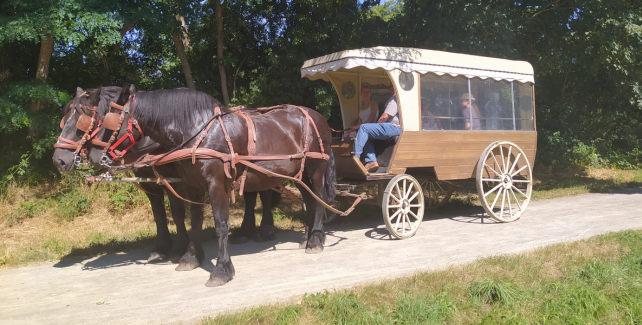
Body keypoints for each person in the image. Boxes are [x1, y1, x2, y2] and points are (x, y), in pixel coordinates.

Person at [354, 84, 402, 172]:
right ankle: (371, 161)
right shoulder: (404, 99)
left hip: (393, 127)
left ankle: (355, 157)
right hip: (399, 128)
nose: (389, 89)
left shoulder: (395, 98)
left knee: (364, 128)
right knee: (366, 135)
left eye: (390, 87)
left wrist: (377, 125)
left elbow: (385, 117)